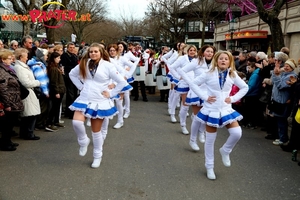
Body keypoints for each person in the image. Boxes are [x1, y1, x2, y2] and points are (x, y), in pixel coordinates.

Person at [184, 51, 248, 180]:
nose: (223, 61)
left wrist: (233, 98)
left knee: (237, 133)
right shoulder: (208, 73)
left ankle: (225, 150)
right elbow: (193, 84)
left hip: (226, 109)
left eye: (226, 59)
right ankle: (209, 167)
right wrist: (205, 97)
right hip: (211, 110)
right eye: (220, 59)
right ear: (216, 61)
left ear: (230, 61)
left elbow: (245, 87)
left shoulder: (233, 74)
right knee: (210, 141)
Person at [69, 43, 128, 168]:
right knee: (76, 123)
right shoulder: (84, 63)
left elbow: (122, 81)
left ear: (101, 52)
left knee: (96, 132)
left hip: (99, 101)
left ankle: (97, 156)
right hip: (84, 98)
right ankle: (83, 141)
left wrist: (112, 93)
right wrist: (81, 86)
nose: (93, 53)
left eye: (96, 51)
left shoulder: (108, 66)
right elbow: (72, 74)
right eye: (91, 51)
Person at [177, 44, 216, 150]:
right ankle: (192, 140)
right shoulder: (197, 61)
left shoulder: (215, 63)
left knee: (206, 115)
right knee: (198, 116)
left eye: (212, 52)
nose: (209, 53)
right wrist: (191, 83)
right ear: (203, 52)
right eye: (207, 51)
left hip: (209, 93)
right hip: (197, 92)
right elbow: (182, 71)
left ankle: (201, 132)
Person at [14, 48, 41, 140]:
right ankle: (27, 133)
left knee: (31, 114)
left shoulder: (23, 66)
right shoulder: (19, 68)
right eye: (26, 56)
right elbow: (25, 82)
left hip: (29, 91)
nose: (27, 57)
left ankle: (28, 132)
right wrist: (38, 82)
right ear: (21, 57)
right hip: (27, 91)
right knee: (29, 114)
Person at [169, 45, 197, 134]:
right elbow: (172, 67)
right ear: (187, 51)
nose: (192, 52)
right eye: (191, 50)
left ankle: (194, 124)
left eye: (194, 50)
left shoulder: (198, 60)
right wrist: (178, 77)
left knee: (191, 104)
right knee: (182, 102)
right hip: (183, 83)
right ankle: (180, 122)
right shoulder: (182, 58)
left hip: (194, 83)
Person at [269, 59, 297, 146]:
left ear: (292, 68)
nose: (285, 67)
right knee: (279, 120)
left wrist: (276, 75)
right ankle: (281, 137)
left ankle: (283, 138)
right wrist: (275, 73)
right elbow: (273, 82)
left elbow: (281, 86)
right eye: (285, 65)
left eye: (288, 66)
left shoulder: (292, 76)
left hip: (283, 102)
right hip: (277, 100)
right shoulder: (283, 74)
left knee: (282, 121)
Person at [0, 50, 24, 151]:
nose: (11, 60)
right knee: (7, 124)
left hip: (14, 98)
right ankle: (5, 143)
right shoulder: (2, 71)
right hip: (9, 99)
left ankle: (8, 141)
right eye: (9, 58)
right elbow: (2, 88)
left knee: (11, 123)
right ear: (3, 59)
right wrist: (7, 103)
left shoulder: (8, 69)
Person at [108, 44, 135, 129]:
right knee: (109, 100)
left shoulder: (122, 59)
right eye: (110, 50)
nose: (112, 52)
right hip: (109, 83)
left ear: (117, 51)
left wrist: (126, 76)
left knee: (119, 102)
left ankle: (120, 121)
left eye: (113, 50)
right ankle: (110, 114)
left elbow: (133, 65)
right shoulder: (107, 60)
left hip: (119, 82)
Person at [27, 48, 51, 131]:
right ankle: (39, 124)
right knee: (43, 107)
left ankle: (39, 123)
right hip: (41, 90)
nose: (47, 57)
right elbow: (42, 80)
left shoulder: (38, 64)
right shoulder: (38, 66)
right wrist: (46, 91)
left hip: (40, 89)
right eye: (45, 55)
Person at [46, 52, 66, 129]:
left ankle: (56, 121)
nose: (59, 59)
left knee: (57, 107)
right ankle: (50, 123)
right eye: (57, 58)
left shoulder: (56, 67)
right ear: (53, 59)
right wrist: (56, 92)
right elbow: (54, 81)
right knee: (54, 107)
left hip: (60, 89)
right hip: (57, 90)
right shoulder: (53, 68)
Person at [60, 42, 79, 119]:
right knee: (70, 95)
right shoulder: (64, 56)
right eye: (70, 47)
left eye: (73, 47)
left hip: (75, 77)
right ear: (67, 48)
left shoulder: (74, 55)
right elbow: (64, 66)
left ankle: (72, 111)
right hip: (68, 77)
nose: (72, 49)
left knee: (74, 94)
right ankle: (70, 112)